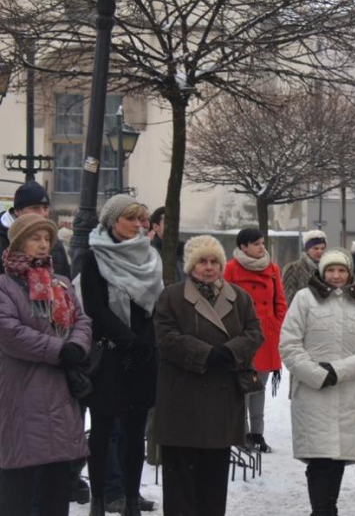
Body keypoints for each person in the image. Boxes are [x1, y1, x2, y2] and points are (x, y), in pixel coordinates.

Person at [153, 235, 262, 515]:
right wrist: (205, 354)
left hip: (222, 401)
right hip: (182, 402)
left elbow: (254, 333)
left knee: (214, 483)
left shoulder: (239, 298)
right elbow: (166, 337)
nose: (209, 267)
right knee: (181, 483)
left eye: (214, 261)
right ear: (190, 265)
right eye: (202, 261)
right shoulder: (172, 297)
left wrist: (229, 351)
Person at [280, 248, 355, 516]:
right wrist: (317, 375)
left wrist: (337, 371)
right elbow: (290, 345)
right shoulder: (304, 300)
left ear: (349, 273)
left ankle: (327, 509)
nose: (336, 276)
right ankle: (323, 510)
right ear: (322, 272)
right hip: (313, 393)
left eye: (341, 270)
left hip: (349, 394)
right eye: (330, 270)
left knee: (336, 457)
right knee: (319, 458)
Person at [0, 214, 92, 516]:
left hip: (59, 393)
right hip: (22, 391)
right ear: (17, 243)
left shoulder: (61, 284)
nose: (42, 245)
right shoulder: (5, 285)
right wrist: (58, 349)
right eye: (34, 238)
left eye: (46, 239)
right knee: (19, 481)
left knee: (56, 481)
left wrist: (76, 346)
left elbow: (82, 319)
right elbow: (8, 330)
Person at [81, 194, 164, 516]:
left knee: (135, 433)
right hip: (111, 355)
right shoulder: (94, 257)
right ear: (112, 221)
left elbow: (156, 305)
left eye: (141, 218)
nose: (138, 224)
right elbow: (94, 308)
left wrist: (145, 343)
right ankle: (99, 500)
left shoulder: (150, 255)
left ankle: (131, 498)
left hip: (143, 356)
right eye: (131, 218)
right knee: (102, 432)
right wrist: (128, 340)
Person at [223, 228, 287, 453]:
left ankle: (257, 434)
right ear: (243, 247)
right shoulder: (230, 268)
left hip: (266, 336)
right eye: (257, 244)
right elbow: (223, 302)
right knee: (242, 386)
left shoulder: (272, 269)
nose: (262, 247)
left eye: (263, 243)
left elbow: (280, 301)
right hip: (242, 336)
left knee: (259, 387)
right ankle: (241, 434)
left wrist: (276, 326)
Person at [0, 181, 70, 277]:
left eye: (45, 208)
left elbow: (65, 282)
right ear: (17, 211)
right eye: (35, 208)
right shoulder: (2, 238)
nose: (42, 213)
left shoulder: (55, 243)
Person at [283, 229, 327, 303]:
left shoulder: (328, 268)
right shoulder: (293, 268)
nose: (320, 251)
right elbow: (288, 298)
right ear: (307, 250)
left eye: (322, 248)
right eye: (315, 248)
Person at [149, 206, 185, 282]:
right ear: (155, 227)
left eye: (175, 221)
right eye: (168, 221)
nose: (173, 225)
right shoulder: (151, 253)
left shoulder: (184, 251)